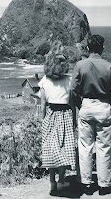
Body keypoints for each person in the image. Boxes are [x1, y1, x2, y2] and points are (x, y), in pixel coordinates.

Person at [70, 34, 111, 196]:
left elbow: (73, 91)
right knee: (104, 147)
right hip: (104, 106)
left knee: (85, 147)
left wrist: (78, 106)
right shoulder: (110, 67)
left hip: (86, 106)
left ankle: (86, 184)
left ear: (87, 48)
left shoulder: (80, 65)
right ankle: (104, 185)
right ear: (102, 48)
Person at [39, 48, 76, 195]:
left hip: (51, 114)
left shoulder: (45, 80)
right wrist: (74, 119)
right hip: (65, 114)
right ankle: (61, 180)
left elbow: (42, 104)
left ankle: (52, 182)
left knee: (50, 150)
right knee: (64, 149)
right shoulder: (69, 80)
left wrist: (43, 121)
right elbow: (72, 103)